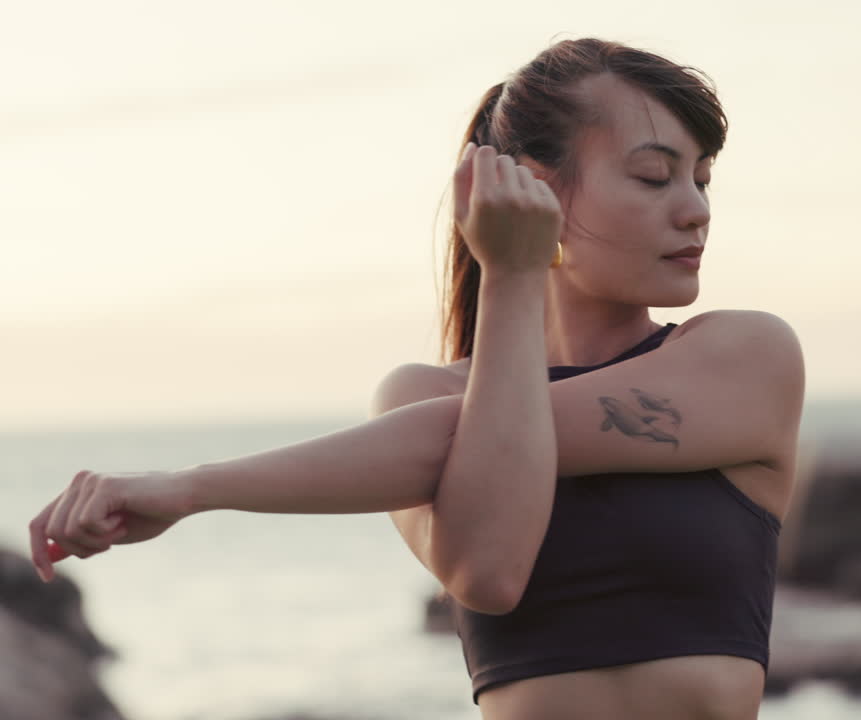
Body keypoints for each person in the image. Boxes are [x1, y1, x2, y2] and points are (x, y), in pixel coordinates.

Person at [28, 37, 805, 720]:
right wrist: (511, 277)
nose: (696, 210)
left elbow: (460, 439)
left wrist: (190, 489)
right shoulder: (417, 396)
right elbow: (490, 572)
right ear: (531, 189)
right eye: (653, 177)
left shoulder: (746, 357)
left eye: (701, 179)